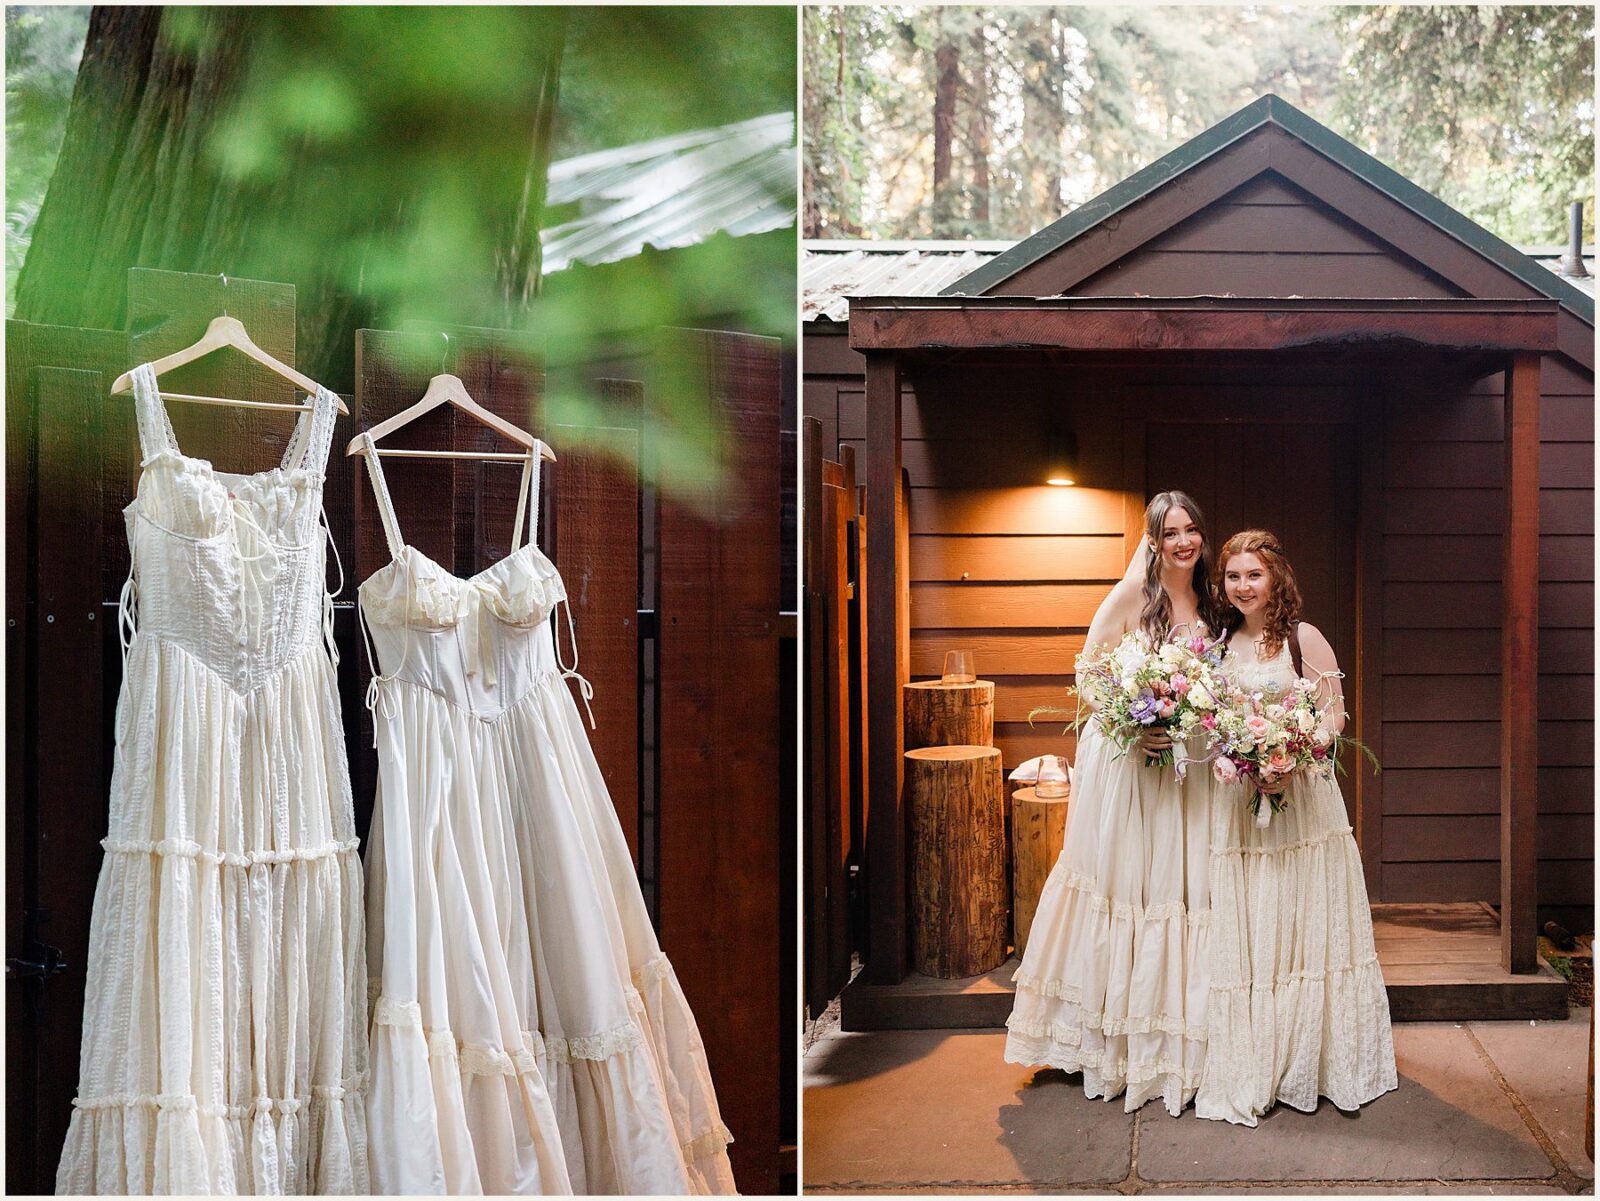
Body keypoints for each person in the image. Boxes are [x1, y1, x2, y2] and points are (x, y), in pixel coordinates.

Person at [1003, 491, 1228, 1115]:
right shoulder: (1134, 596)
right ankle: (1117, 1040)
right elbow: (1089, 671)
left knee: (1185, 889)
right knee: (1135, 889)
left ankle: (1187, 1037)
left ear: (1201, 537)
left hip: (1193, 768)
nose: (1183, 541)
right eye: (1170, 531)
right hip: (1139, 768)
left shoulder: (1211, 600)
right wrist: (1135, 720)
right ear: (1152, 540)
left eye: (1191, 529)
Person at [1195, 529, 1397, 1126]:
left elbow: (1333, 714)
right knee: (1256, 915)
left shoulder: (1303, 639)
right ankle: (1261, 1050)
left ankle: (1314, 1054)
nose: (1242, 586)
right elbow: (1209, 717)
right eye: (1232, 576)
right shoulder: (1218, 642)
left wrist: (1293, 755)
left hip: (1304, 798)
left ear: (1276, 577)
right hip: (1240, 800)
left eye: (1253, 574)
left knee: (1306, 914)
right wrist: (1246, 756)